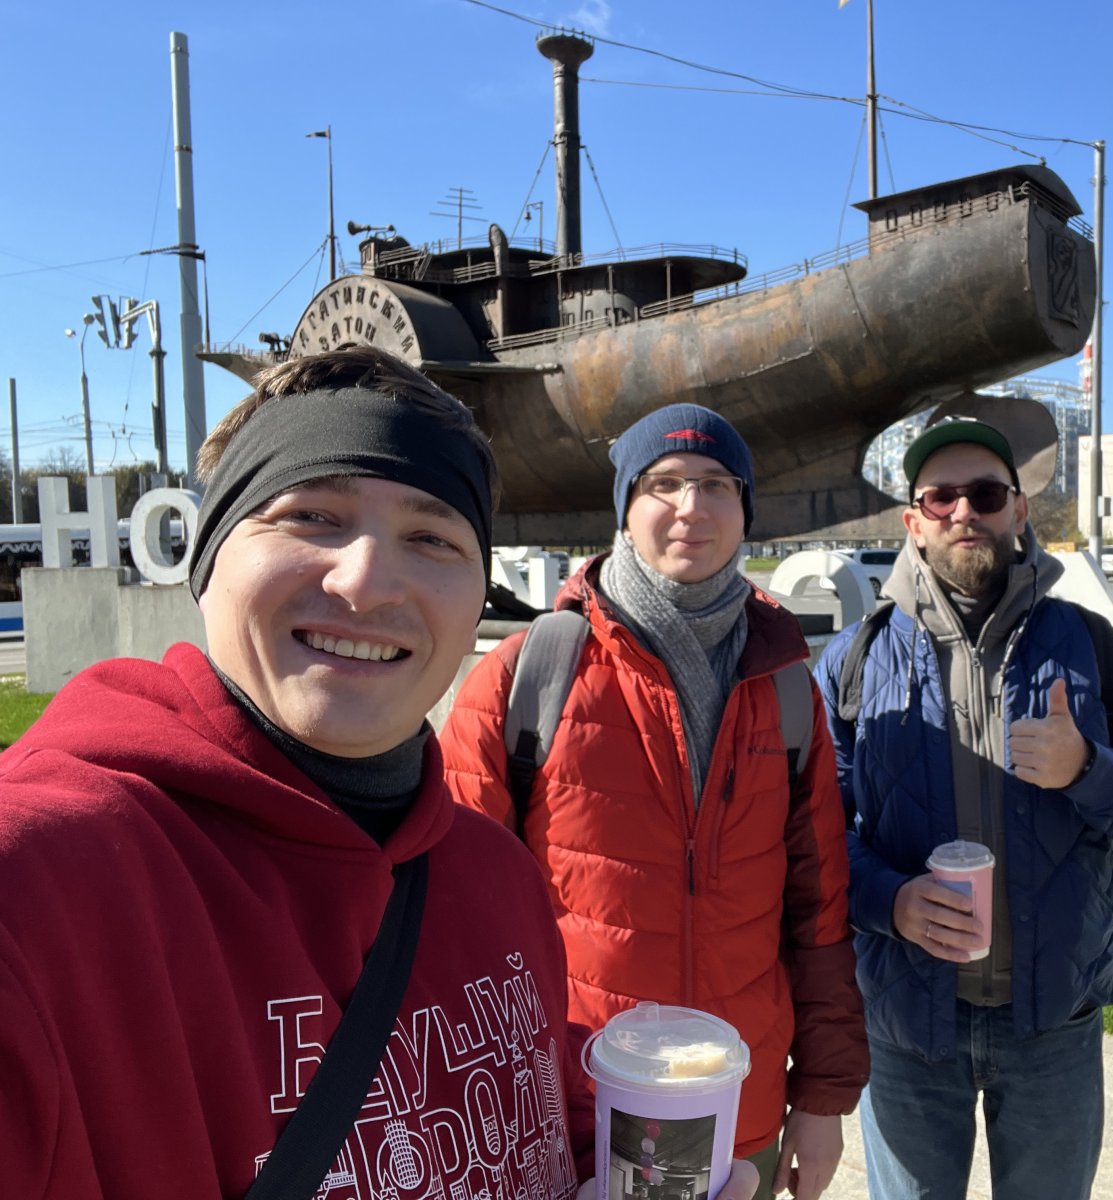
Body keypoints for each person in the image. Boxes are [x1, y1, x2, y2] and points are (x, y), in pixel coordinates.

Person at [0, 347, 756, 1200]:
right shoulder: (38, 894)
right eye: (310, 516)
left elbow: (524, 1124)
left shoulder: (496, 878)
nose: (364, 583)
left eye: (431, 537)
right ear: (207, 559)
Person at [440, 403, 869, 1200]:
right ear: (625, 509)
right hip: (571, 1108)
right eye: (663, 483)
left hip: (738, 1109)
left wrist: (822, 1095)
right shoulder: (526, 677)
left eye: (716, 484)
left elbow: (818, 911)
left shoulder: (786, 686)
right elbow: (454, 920)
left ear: (744, 510)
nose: (691, 507)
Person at [813, 416, 1113, 1200]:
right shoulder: (854, 658)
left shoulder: (1088, 644)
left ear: (1019, 511)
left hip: (1054, 1024)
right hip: (907, 1025)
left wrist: (1088, 769)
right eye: (941, 497)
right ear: (913, 522)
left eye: (986, 494)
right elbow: (812, 839)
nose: (964, 512)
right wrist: (891, 901)